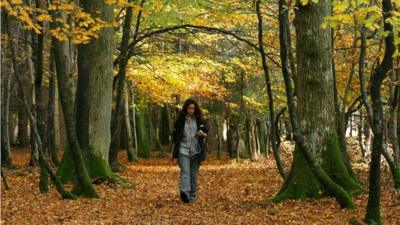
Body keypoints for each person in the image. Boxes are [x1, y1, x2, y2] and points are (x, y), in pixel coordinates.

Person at [172, 98, 208, 203]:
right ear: (186, 109)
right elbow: (174, 136)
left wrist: (202, 134)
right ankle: (184, 193)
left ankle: (192, 196)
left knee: (194, 175)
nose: (191, 110)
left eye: (193, 109)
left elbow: (206, 133)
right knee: (185, 172)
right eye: (189, 108)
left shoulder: (200, 120)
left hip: (196, 151)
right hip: (183, 151)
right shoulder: (180, 121)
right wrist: (174, 151)